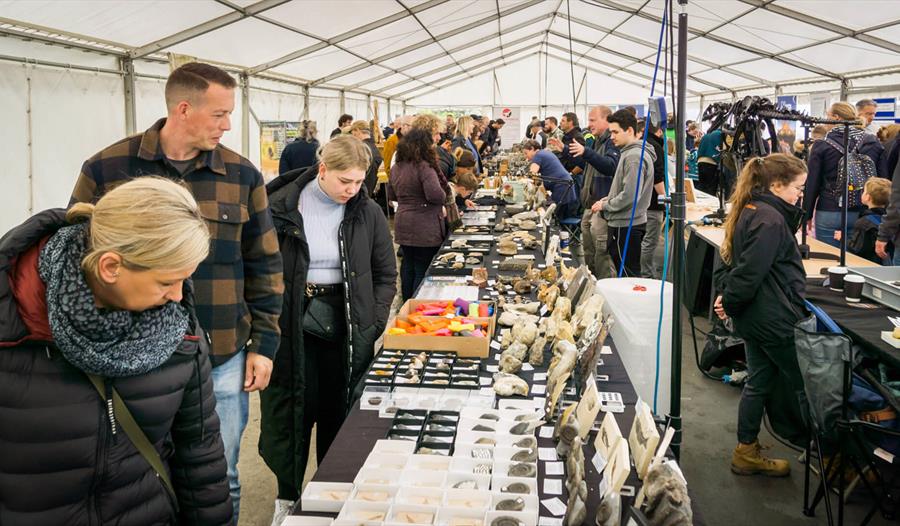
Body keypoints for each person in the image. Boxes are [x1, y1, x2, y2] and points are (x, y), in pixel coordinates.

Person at [69, 62, 284, 523]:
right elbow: (75, 260)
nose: (228, 125)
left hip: (222, 353)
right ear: (183, 109)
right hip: (133, 359)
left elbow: (265, 264)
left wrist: (264, 344)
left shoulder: (243, 176)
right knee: (135, 478)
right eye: (220, 114)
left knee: (219, 474)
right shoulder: (108, 167)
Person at [0, 178, 232, 525]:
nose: (178, 297)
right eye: (166, 282)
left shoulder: (178, 332)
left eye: (184, 280)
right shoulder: (13, 327)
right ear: (110, 267)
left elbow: (200, 458)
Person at [262, 136, 397, 525]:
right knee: (292, 410)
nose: (352, 190)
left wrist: (373, 320)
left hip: (349, 325)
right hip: (292, 323)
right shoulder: (280, 207)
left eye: (358, 182)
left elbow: (385, 272)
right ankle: (286, 495)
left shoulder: (366, 211)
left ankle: (331, 494)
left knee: (340, 408)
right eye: (344, 181)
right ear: (323, 170)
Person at [713, 153, 809, 478]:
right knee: (809, 386)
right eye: (798, 188)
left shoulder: (756, 211)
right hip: (772, 319)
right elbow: (749, 273)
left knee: (759, 381)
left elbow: (745, 270)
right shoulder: (769, 219)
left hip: (758, 317)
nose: (800, 194)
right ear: (777, 184)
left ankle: (746, 450)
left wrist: (730, 301)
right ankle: (829, 453)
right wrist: (730, 302)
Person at [804, 101, 885, 248]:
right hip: (865, 211)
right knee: (859, 260)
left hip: (830, 208)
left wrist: (807, 214)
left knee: (830, 259)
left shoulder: (822, 145)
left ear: (835, 117)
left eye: (827, 115)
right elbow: (883, 180)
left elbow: (812, 183)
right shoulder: (873, 143)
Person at [594, 109, 655, 278]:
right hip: (627, 223)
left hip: (626, 225)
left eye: (615, 132)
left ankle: (631, 305)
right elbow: (625, 189)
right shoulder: (629, 153)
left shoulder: (634, 157)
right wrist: (608, 198)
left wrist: (605, 205)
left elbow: (630, 195)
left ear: (629, 130)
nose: (611, 136)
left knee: (628, 275)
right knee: (627, 273)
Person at [390, 128, 448, 300]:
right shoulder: (424, 167)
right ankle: (417, 305)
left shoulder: (397, 167)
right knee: (422, 267)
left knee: (408, 265)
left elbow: (391, 195)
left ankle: (407, 303)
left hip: (403, 221)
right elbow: (435, 195)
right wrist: (445, 194)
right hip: (425, 225)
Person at [570, 106, 620, 279]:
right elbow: (587, 163)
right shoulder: (596, 140)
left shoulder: (611, 142)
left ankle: (605, 289)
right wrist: (565, 149)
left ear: (606, 120)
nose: (589, 124)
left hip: (602, 205)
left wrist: (587, 152)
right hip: (590, 204)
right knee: (588, 249)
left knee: (601, 252)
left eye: (593, 120)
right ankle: (592, 283)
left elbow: (609, 166)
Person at [833, 177, 891, 264]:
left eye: (864, 191)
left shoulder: (864, 222)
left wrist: (842, 238)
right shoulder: (889, 219)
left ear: (868, 197)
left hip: (866, 264)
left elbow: (856, 248)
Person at [523, 139, 579, 220]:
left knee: (556, 219)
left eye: (526, 153)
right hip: (566, 188)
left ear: (532, 149)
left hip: (563, 190)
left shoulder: (538, 155)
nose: (526, 156)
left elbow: (532, 174)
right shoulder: (545, 153)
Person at [641, 121, 669, 279]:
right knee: (650, 241)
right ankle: (647, 275)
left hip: (642, 203)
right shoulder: (655, 147)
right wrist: (665, 200)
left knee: (645, 240)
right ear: (659, 131)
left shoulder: (642, 145)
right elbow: (658, 177)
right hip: (653, 203)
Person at [349, 120, 383, 196]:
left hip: (359, 191)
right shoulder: (375, 148)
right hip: (368, 190)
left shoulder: (360, 148)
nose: (352, 135)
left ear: (357, 130)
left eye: (352, 133)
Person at [549, 112, 586, 181]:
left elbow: (582, 161)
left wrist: (571, 174)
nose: (560, 123)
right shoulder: (566, 136)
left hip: (573, 178)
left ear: (570, 122)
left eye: (563, 121)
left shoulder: (577, 138)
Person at [696, 128, 723, 196]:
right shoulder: (720, 135)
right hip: (711, 162)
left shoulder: (706, 136)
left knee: (702, 185)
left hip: (700, 161)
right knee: (710, 188)